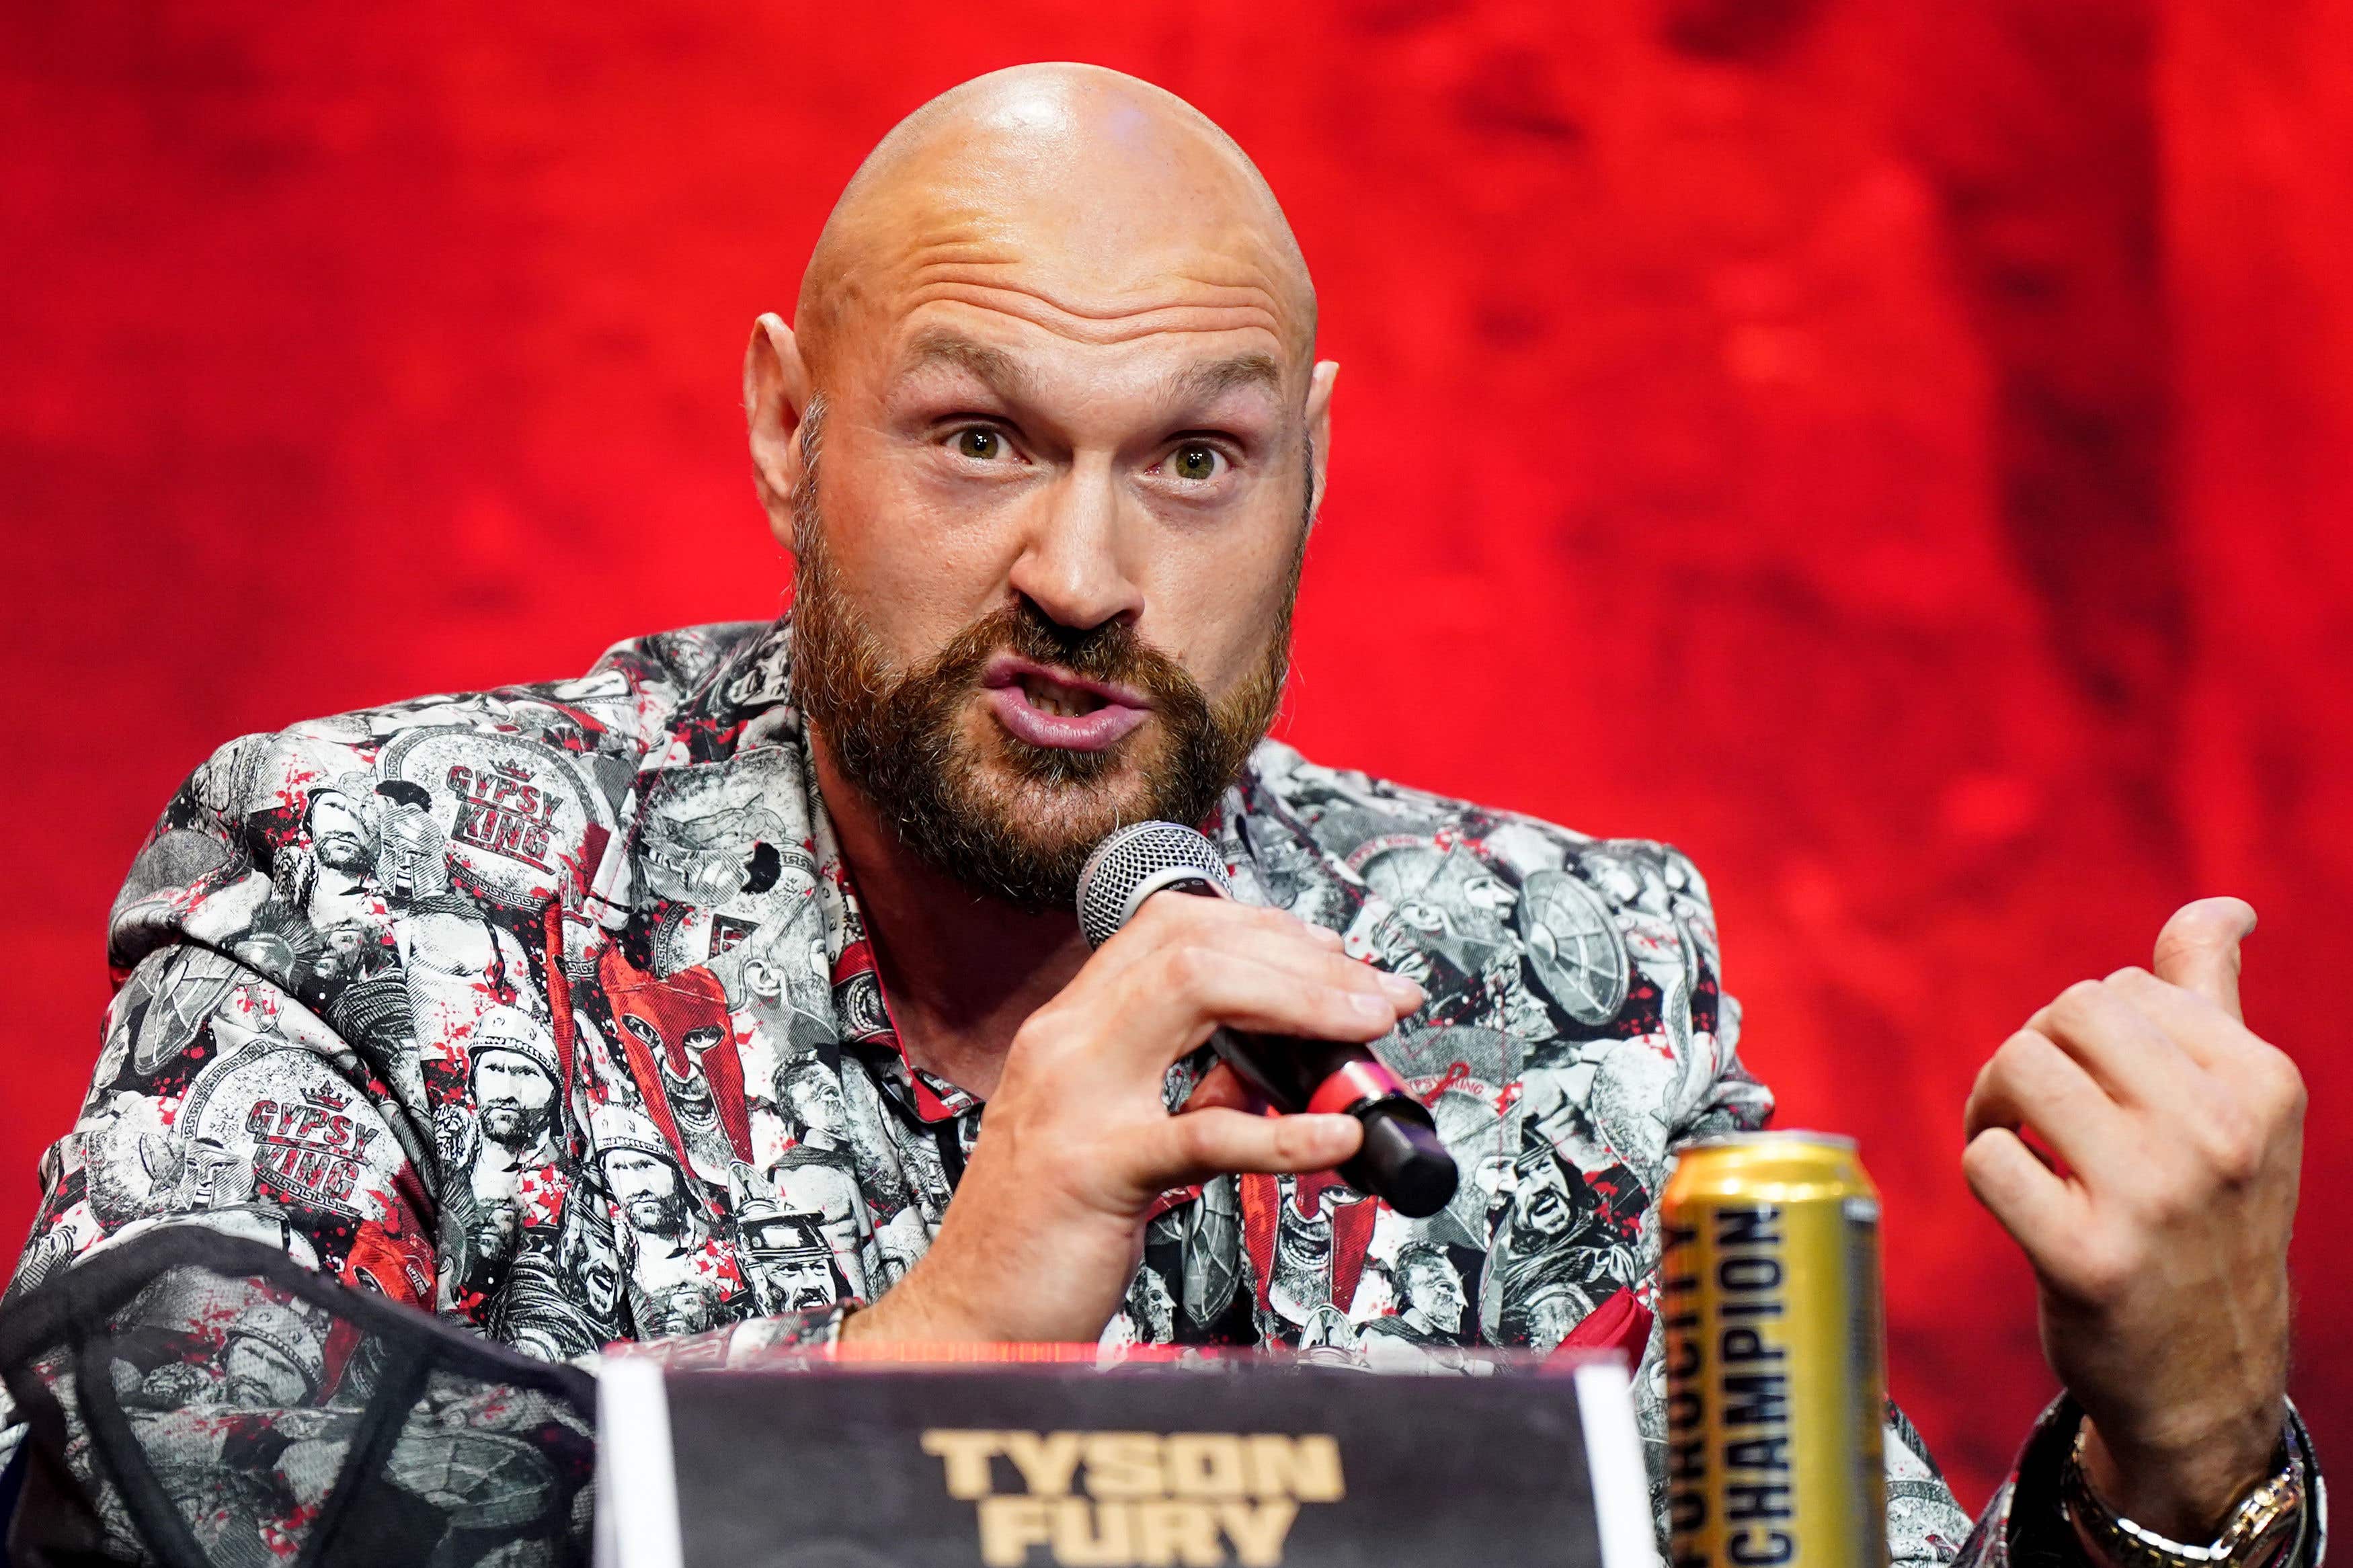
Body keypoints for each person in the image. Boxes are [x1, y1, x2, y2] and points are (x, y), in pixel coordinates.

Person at [0, 61, 2315, 1568]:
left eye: (1191, 460)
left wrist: (2189, 1477)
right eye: (980, 437)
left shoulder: (1557, 977)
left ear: (1311, 466)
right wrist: (950, 1340)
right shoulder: (380, 883)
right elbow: (151, 1518)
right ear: (789, 431)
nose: (1087, 581)